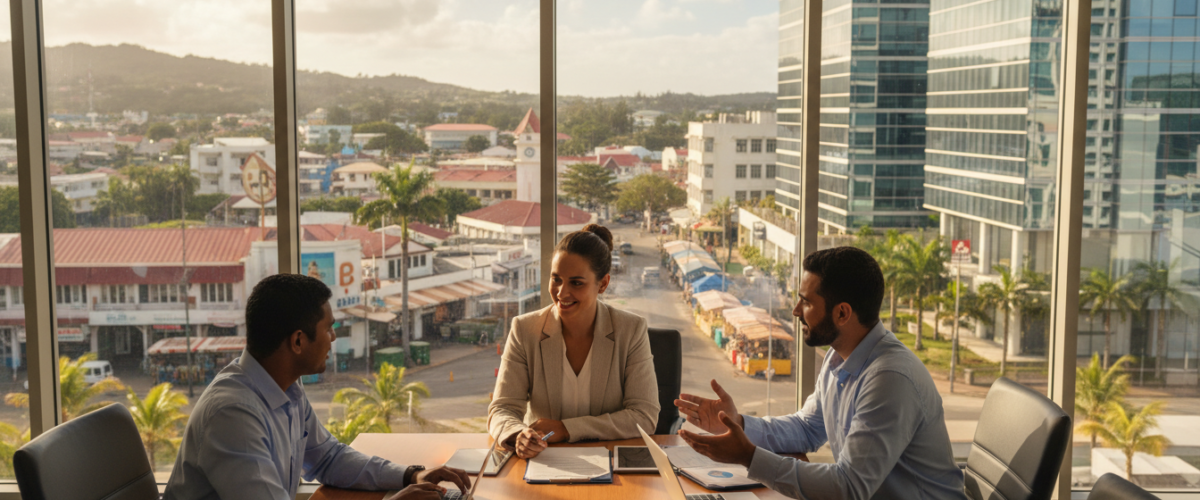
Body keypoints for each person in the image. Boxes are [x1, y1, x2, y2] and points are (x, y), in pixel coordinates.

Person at [675, 247, 966, 500]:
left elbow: (848, 488)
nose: (795, 311)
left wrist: (748, 456)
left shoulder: (889, 379)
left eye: (806, 302)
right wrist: (738, 424)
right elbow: (806, 428)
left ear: (842, 313)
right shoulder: (838, 357)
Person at [164, 274, 470, 500]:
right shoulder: (233, 415)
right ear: (298, 341)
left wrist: (411, 475)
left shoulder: (286, 388)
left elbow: (328, 458)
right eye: (329, 328)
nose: (333, 338)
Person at [488, 223, 659, 459]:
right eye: (556, 279)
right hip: (544, 460)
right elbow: (502, 409)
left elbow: (644, 416)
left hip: (610, 461)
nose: (561, 292)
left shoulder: (630, 330)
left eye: (576, 283)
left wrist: (567, 429)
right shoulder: (524, 330)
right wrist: (518, 434)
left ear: (603, 284)